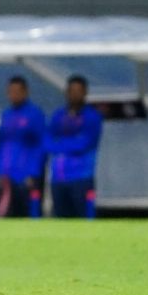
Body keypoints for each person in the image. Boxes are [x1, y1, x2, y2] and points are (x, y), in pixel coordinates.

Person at [46, 75, 102, 218]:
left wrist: (60, 144)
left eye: (78, 91)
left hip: (82, 177)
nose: (75, 94)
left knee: (83, 218)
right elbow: (47, 141)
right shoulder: (58, 115)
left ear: (85, 93)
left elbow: (84, 144)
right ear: (66, 92)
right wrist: (67, 143)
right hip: (58, 178)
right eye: (72, 91)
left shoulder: (92, 117)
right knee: (61, 219)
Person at [0, 76, 46, 217]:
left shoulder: (35, 114)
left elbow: (41, 146)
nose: (13, 95)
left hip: (25, 176)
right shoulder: (6, 115)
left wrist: (33, 173)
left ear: (25, 92)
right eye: (10, 91)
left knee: (26, 213)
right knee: (5, 214)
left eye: (17, 91)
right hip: (4, 174)